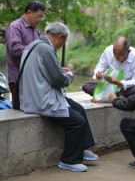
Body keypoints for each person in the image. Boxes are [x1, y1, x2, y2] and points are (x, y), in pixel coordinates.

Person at [19, 22, 98, 172]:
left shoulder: (34, 45)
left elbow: (40, 69)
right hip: (41, 100)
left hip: (32, 96)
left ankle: (83, 148)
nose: (62, 45)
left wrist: (57, 68)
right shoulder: (47, 50)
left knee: (79, 108)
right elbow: (59, 80)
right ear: (60, 37)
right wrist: (69, 75)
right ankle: (69, 160)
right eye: (64, 42)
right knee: (77, 122)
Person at [6, 0, 45, 103]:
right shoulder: (15, 27)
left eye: (42, 17)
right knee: (20, 113)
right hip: (18, 78)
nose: (40, 20)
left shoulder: (36, 31)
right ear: (29, 12)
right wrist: (36, 49)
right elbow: (15, 49)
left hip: (33, 79)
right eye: (39, 16)